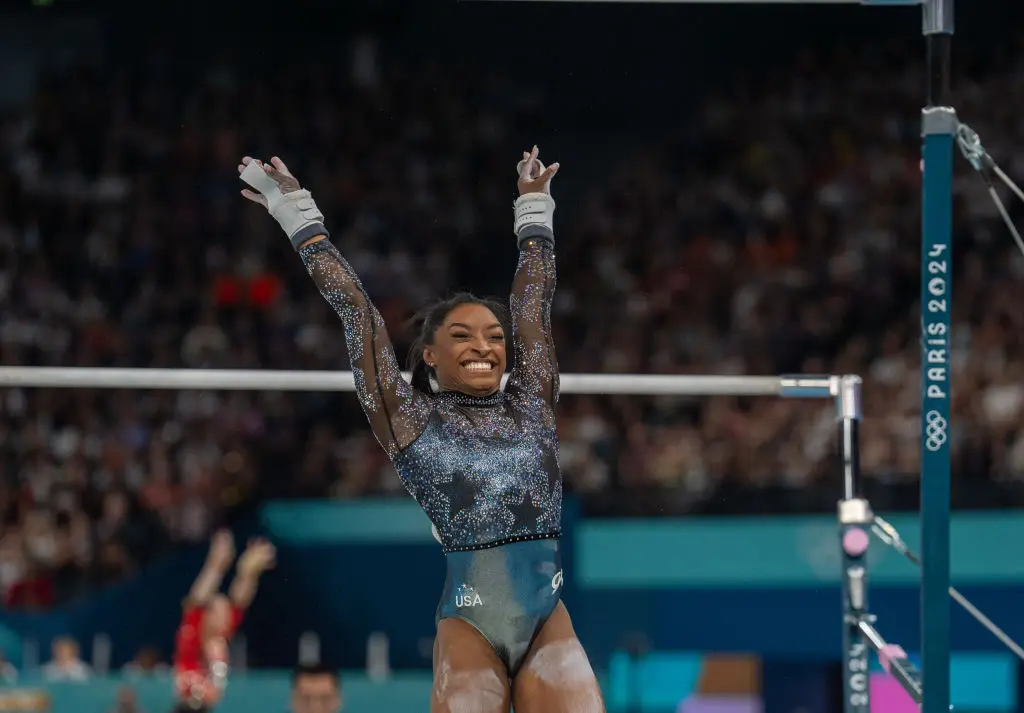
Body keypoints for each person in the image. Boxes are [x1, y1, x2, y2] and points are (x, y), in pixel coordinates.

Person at [239, 147, 604, 713]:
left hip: (547, 621)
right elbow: (358, 312)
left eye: (494, 337)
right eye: (462, 336)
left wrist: (534, 211)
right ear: (429, 354)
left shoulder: (533, 399)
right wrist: (296, 212)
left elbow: (532, 306)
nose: (484, 346)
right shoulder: (409, 419)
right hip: (471, 626)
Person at [172, 530, 275, 712]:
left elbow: (239, 601)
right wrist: (215, 566)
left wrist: (249, 572)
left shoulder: (220, 637)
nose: (225, 616)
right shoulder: (190, 637)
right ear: (206, 617)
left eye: (226, 613)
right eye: (217, 611)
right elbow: (196, 601)